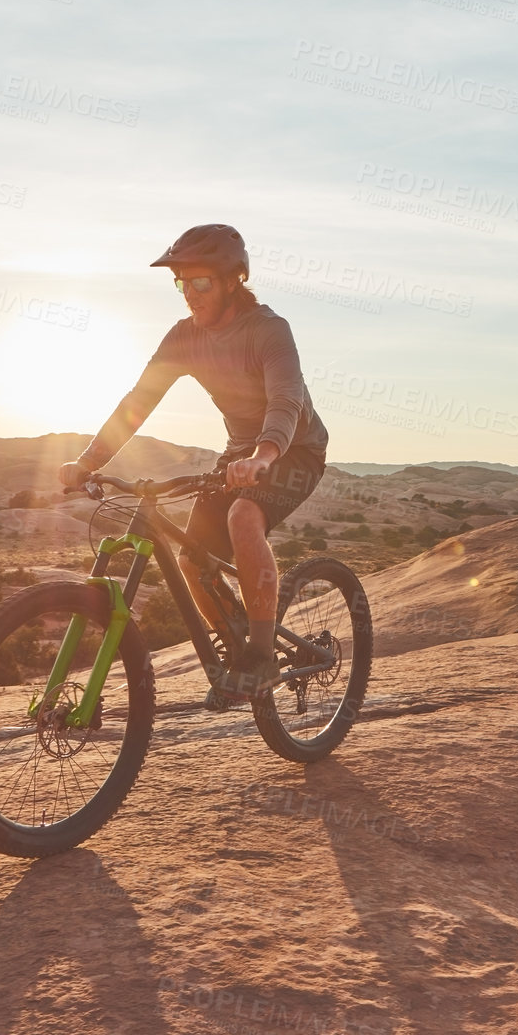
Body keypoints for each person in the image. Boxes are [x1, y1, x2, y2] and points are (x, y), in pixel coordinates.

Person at [58, 224, 329, 709]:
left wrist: (264, 455)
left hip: (293, 449)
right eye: (181, 283)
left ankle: (262, 657)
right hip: (241, 453)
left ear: (232, 281)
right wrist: (88, 461)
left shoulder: (268, 329)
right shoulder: (183, 338)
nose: (189, 295)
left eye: (200, 283)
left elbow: (285, 401)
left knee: (244, 516)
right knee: (190, 560)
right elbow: (137, 403)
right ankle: (239, 647)